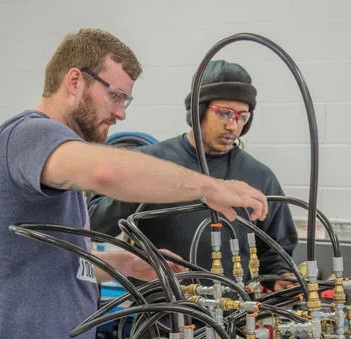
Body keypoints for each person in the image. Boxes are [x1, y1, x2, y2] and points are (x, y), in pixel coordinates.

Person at [0, 30, 269, 339]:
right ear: (74, 81)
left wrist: (123, 265)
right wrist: (210, 188)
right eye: (115, 96)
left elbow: (51, 258)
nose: (121, 113)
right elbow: (108, 172)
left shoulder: (54, 159)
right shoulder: (29, 134)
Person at [88, 60, 298, 291]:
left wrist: (281, 276)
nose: (233, 127)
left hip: (231, 317)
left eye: (242, 117)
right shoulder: (148, 163)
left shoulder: (260, 177)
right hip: (158, 314)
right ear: (198, 111)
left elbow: (275, 251)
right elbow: (95, 225)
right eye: (225, 114)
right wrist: (136, 185)